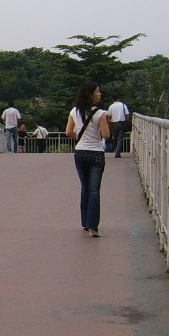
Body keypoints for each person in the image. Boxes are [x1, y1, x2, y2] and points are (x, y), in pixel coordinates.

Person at [65, 81, 111, 238]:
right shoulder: (100, 113)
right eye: (97, 91)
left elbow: (68, 132)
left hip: (80, 153)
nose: (100, 94)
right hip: (96, 153)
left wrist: (80, 138)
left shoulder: (74, 111)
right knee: (94, 190)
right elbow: (106, 135)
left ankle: (85, 222)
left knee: (85, 188)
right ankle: (93, 226)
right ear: (91, 94)